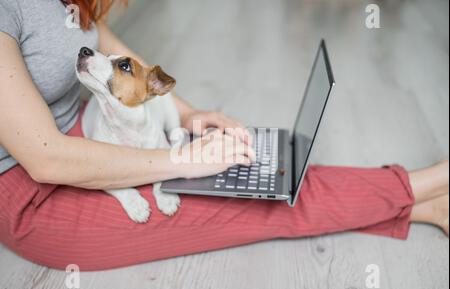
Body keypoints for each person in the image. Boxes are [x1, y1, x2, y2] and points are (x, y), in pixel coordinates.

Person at [0, 0, 448, 271]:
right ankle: (428, 184)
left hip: (92, 130)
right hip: (35, 193)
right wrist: (184, 162)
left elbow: (114, 51)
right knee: (254, 203)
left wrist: (191, 114)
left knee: (259, 171)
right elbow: (47, 160)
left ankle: (424, 206)